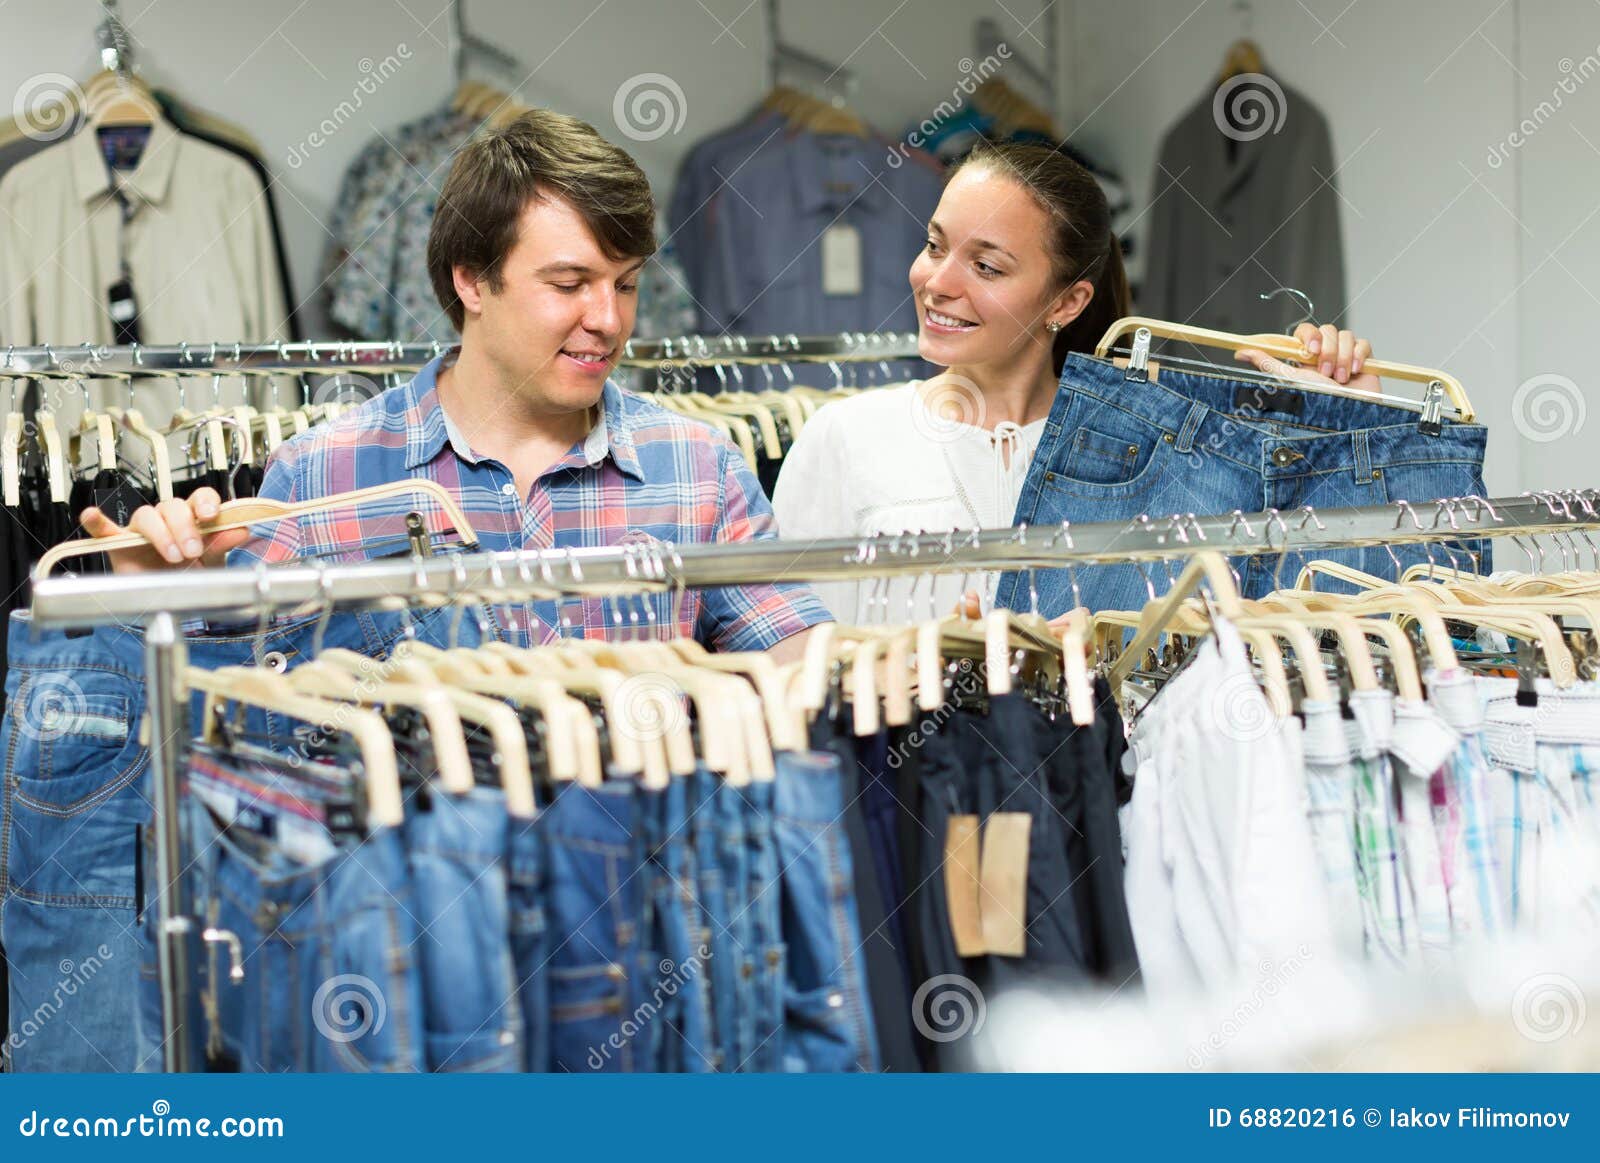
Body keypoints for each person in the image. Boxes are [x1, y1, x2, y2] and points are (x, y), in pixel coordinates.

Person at [77, 109, 830, 661]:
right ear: (472, 280)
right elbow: (227, 687)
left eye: (626, 284)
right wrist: (151, 593)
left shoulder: (702, 468)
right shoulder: (320, 474)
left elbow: (798, 660)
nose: (608, 319)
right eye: (570, 282)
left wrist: (917, 654)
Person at [772, 139, 1379, 623]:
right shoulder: (844, 438)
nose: (938, 282)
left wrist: (1353, 423)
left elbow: (1312, 610)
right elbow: (791, 658)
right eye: (935, 246)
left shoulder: (1152, 451)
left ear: (1067, 302)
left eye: (985, 266)